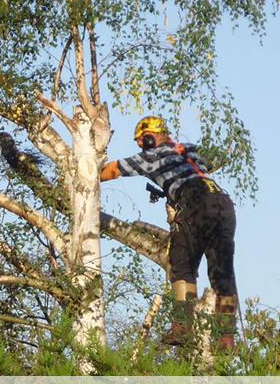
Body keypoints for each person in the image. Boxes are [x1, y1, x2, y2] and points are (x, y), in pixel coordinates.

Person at [100, 116, 237, 350]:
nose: (140, 146)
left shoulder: (152, 157)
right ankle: (227, 338)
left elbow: (112, 170)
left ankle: (182, 327)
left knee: (182, 265)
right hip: (223, 203)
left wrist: (84, 176)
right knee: (222, 272)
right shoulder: (191, 150)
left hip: (195, 202)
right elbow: (216, 159)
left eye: (142, 141)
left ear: (150, 137)